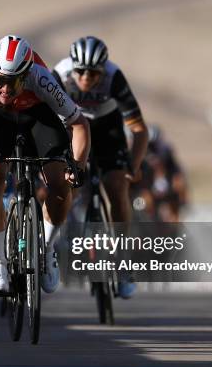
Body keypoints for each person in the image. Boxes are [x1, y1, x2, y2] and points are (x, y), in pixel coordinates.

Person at [0, 35, 90, 294]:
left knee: (61, 185)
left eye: (13, 81)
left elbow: (79, 124)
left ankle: (47, 250)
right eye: (0, 80)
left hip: (37, 116)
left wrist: (78, 165)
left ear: (26, 75)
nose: (5, 88)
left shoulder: (41, 78)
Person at [52, 36, 148, 298]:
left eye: (93, 73)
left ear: (103, 70)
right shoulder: (58, 75)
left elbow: (140, 131)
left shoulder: (114, 77)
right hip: (71, 130)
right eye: (80, 71)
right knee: (64, 185)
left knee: (117, 188)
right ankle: (51, 243)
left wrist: (134, 165)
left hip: (107, 130)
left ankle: (123, 261)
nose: (85, 77)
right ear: (72, 67)